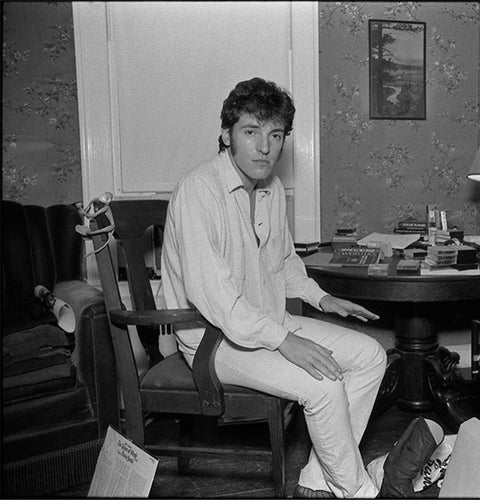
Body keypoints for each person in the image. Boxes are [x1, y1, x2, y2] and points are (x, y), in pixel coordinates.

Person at [161, 77, 387, 498]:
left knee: (371, 356)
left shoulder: (272, 188)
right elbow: (216, 297)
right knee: (322, 384)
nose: (265, 147)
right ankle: (356, 490)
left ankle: (320, 479)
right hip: (212, 340)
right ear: (226, 135)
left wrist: (322, 298)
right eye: (251, 132)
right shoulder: (198, 190)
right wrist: (286, 341)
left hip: (266, 323)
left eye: (276, 134)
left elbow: (282, 263)